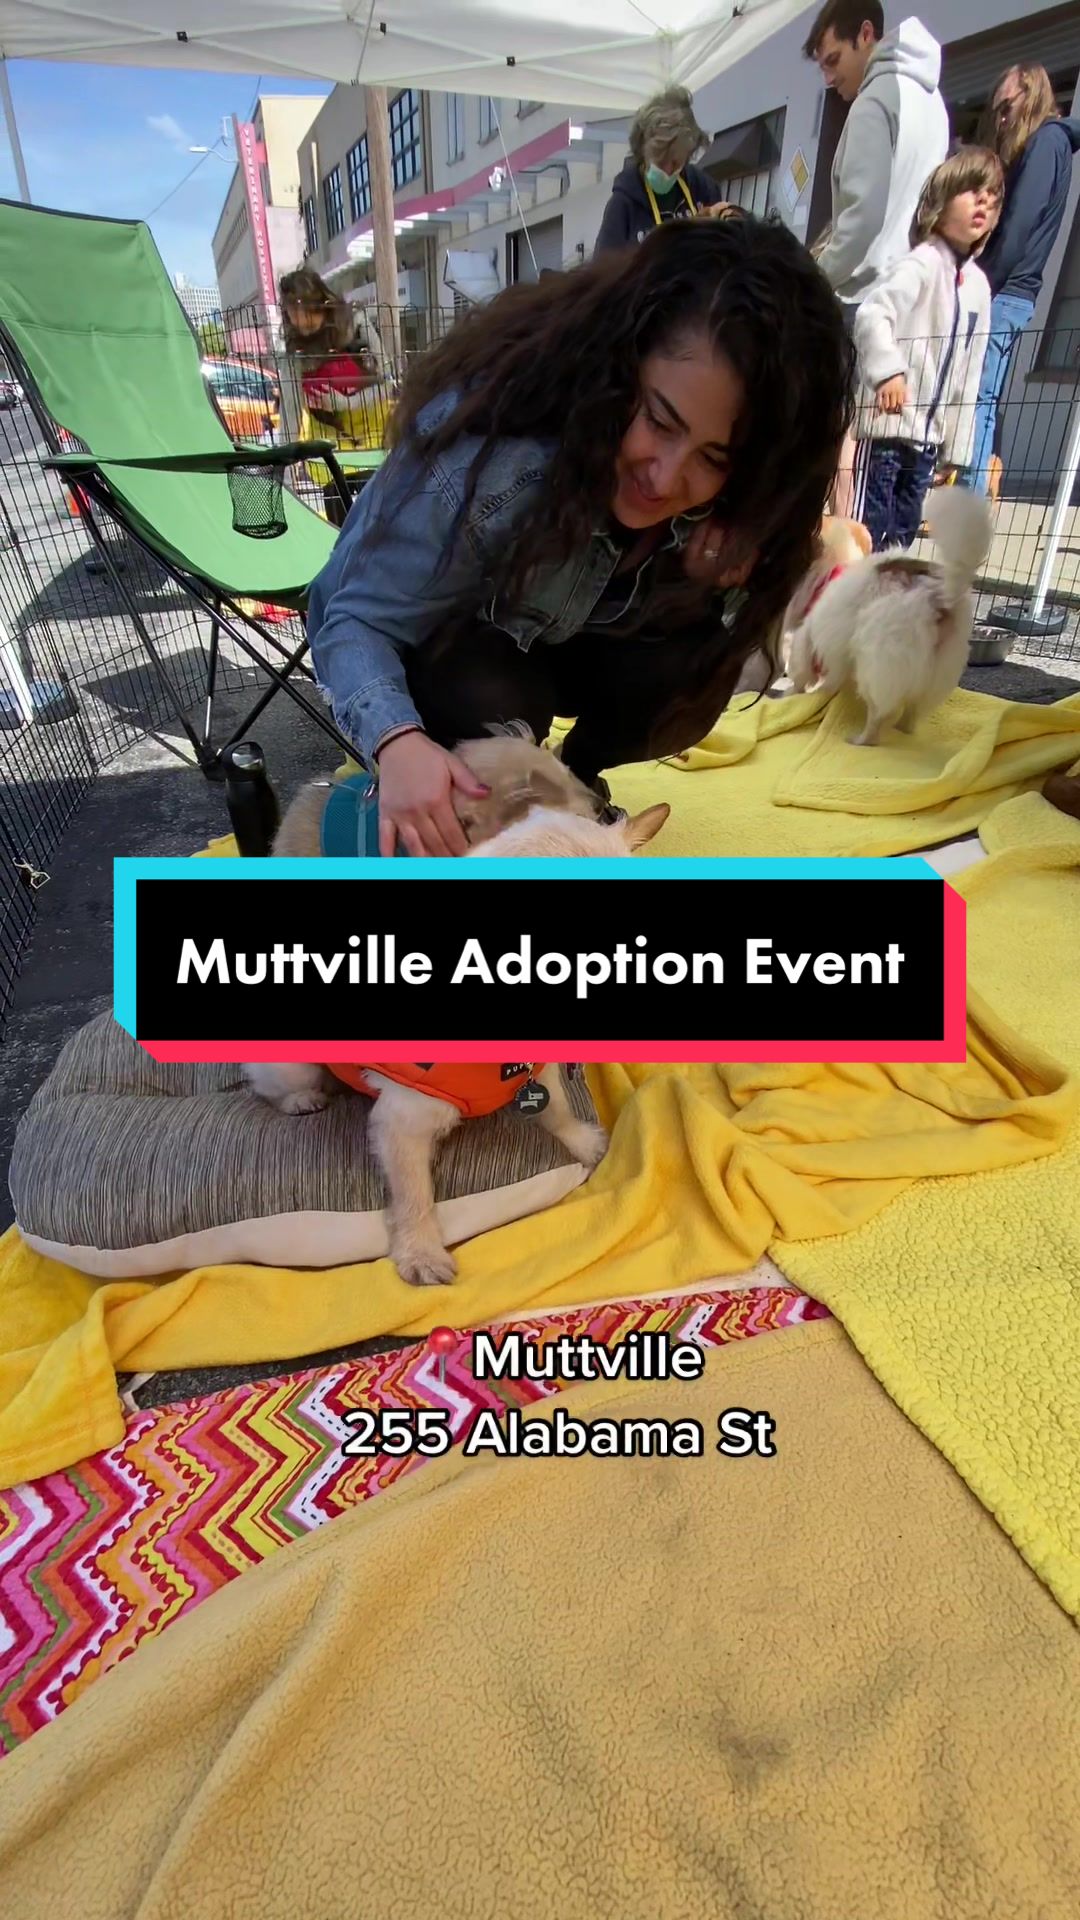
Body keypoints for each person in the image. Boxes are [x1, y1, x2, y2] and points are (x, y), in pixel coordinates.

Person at [306, 216, 854, 857]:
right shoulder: (497, 460)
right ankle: (463, 789)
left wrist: (716, 577)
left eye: (714, 458)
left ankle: (576, 782)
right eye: (659, 420)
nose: (665, 478)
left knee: (697, 667)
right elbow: (351, 620)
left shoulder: (727, 506)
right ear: (615, 369)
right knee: (490, 700)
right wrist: (396, 741)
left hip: (561, 640)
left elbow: (715, 633)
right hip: (441, 649)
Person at [803, 3, 949, 516]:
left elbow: (860, 221)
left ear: (866, 34)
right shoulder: (933, 103)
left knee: (843, 450)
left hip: (862, 298)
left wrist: (812, 279)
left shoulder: (873, 103)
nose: (829, 77)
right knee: (883, 460)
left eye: (833, 59)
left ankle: (840, 548)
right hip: (910, 301)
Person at [853, 148, 1002, 551]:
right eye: (972, 191)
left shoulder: (978, 287)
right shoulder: (921, 263)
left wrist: (957, 445)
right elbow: (873, 313)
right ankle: (859, 588)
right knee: (869, 528)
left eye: (992, 197)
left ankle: (889, 590)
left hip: (927, 440)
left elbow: (971, 370)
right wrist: (888, 371)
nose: (983, 202)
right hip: (888, 429)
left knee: (903, 530)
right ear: (941, 201)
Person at [967, 66, 1080, 494]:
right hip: (1013, 292)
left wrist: (983, 281)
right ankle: (976, 490)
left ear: (1030, 94)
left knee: (980, 398)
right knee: (983, 396)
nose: (1000, 119)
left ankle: (973, 497)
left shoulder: (1045, 143)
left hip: (1006, 292)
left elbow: (1018, 225)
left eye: (1006, 107)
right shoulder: (1049, 144)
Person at [279, 268, 395, 522]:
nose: (302, 321)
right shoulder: (294, 354)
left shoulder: (355, 322)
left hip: (371, 445)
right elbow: (290, 411)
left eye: (308, 311)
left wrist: (345, 402)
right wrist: (284, 471)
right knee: (340, 530)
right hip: (332, 455)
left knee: (377, 524)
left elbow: (387, 383)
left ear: (322, 302)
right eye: (294, 313)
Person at [594, 88, 724, 254]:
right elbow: (603, 265)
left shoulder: (703, 189)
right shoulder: (623, 204)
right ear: (642, 151)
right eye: (660, 162)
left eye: (676, 163)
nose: (668, 171)